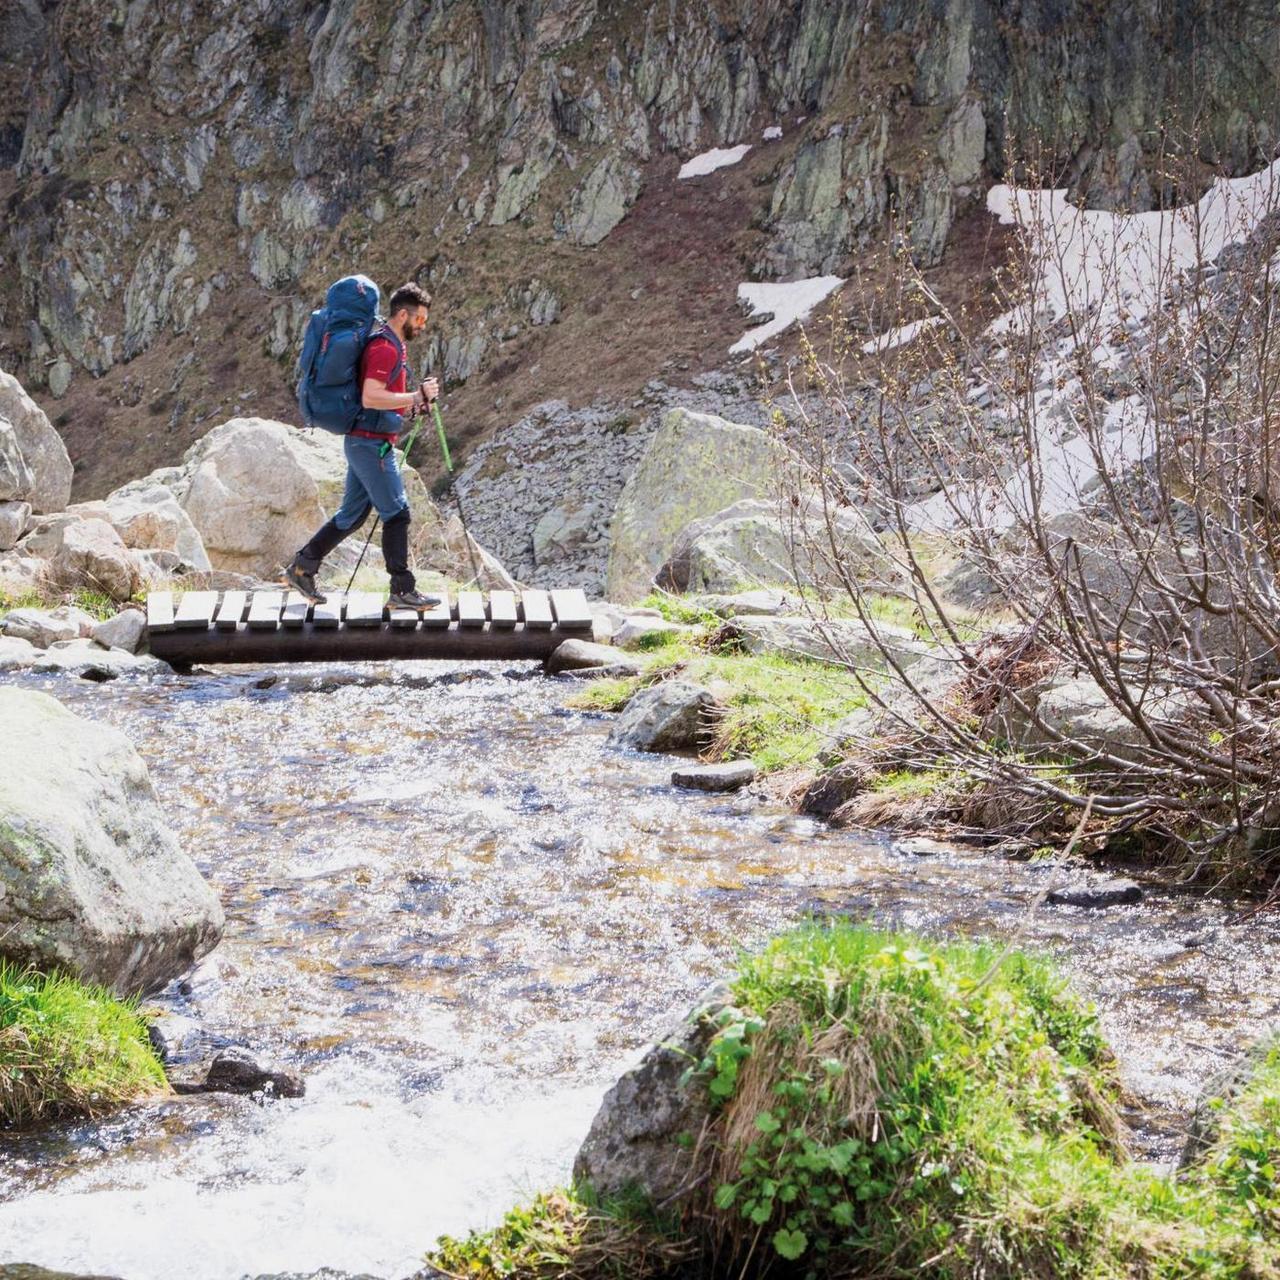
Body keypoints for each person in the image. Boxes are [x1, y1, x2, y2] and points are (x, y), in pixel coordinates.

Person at [285, 281, 440, 608]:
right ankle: (402, 590)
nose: (422, 326)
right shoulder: (384, 347)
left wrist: (415, 406)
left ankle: (302, 567)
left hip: (364, 440)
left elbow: (384, 401)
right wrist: (414, 396)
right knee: (397, 512)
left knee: (352, 515)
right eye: (420, 320)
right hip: (371, 445)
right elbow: (371, 397)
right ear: (402, 315)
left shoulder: (391, 344)